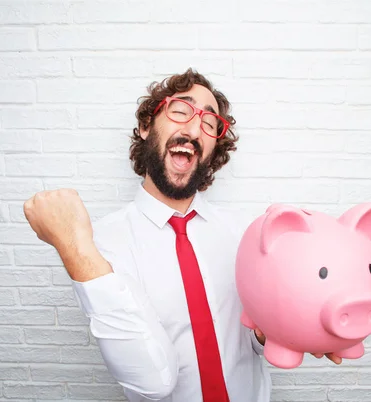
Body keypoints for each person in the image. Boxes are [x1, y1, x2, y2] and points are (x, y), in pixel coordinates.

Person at [23, 68, 341, 402]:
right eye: (180, 111)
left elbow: (248, 342)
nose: (193, 129)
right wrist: (73, 248)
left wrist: (281, 331)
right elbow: (152, 383)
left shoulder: (242, 233)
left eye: (209, 124)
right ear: (147, 126)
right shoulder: (96, 248)